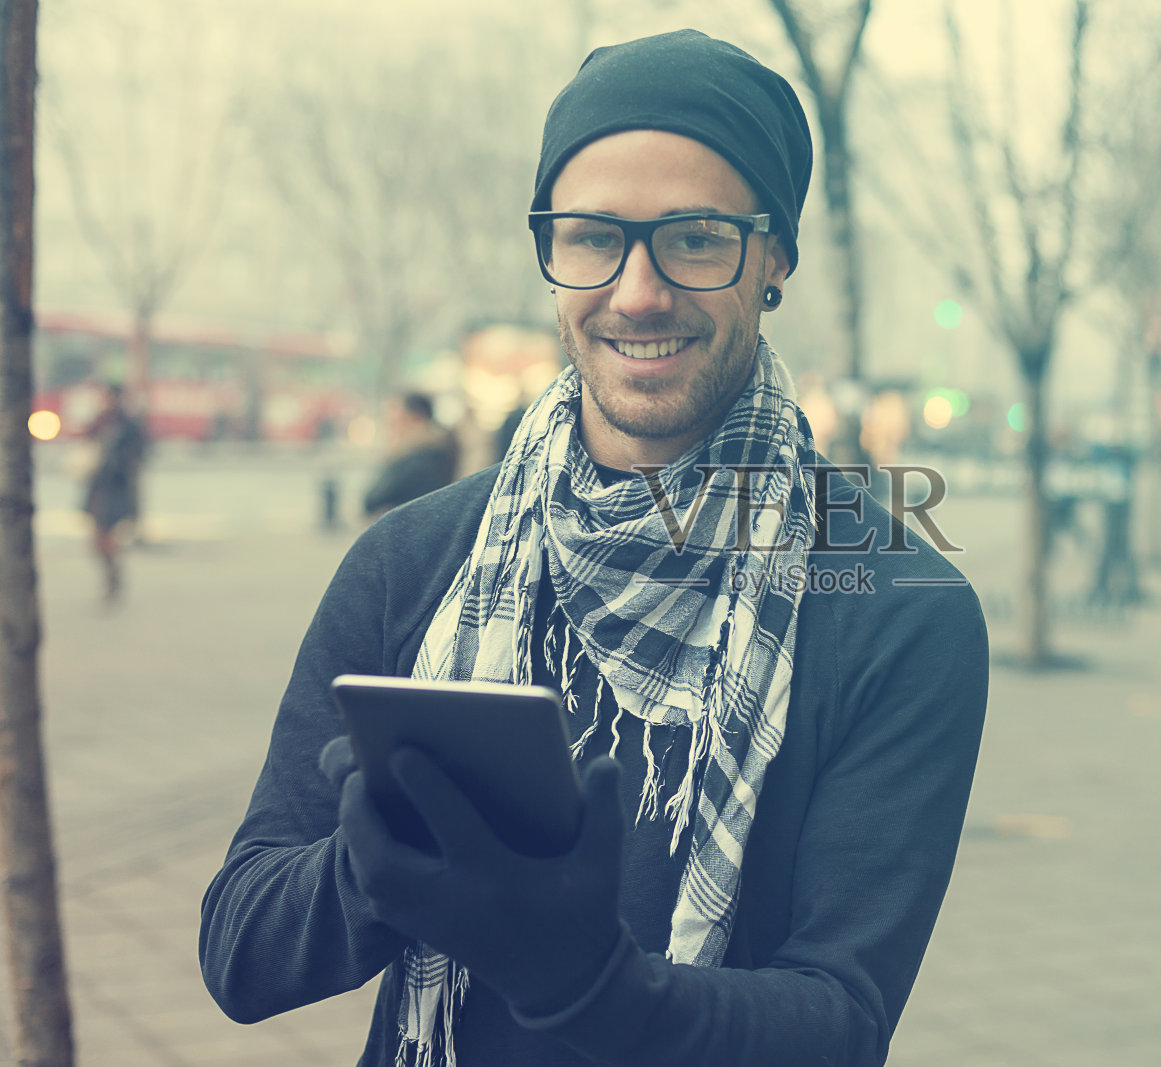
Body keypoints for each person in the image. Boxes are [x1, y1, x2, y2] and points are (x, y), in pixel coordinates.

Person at [200, 29, 988, 1067]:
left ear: (773, 259)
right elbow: (240, 952)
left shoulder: (894, 605)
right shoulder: (415, 560)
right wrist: (373, 862)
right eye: (590, 236)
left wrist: (588, 983)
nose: (637, 289)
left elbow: (836, 1021)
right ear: (551, 252)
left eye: (696, 237)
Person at [80, 382, 146, 602]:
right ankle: (113, 575)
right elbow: (85, 438)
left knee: (105, 534)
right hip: (98, 484)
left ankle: (113, 577)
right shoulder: (102, 420)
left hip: (115, 486)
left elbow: (139, 454)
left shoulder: (128, 423)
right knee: (98, 537)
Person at [361, 391, 460, 521]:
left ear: (416, 417)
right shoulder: (437, 447)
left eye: (396, 419)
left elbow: (372, 499)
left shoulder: (422, 455)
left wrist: (393, 455)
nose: (391, 426)